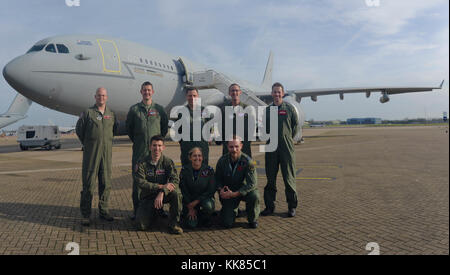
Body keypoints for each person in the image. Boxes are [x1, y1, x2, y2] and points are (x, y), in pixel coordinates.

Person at [126, 81, 169, 219]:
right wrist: (140, 141)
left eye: (149, 90)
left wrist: (157, 144)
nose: (147, 92)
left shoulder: (159, 109)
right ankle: (137, 211)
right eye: (144, 90)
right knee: (138, 183)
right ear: (141, 92)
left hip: (156, 153)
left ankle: (159, 209)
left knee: (158, 180)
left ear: (153, 92)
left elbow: (163, 128)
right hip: (139, 152)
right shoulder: (134, 110)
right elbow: (129, 129)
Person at [76, 87, 117, 226]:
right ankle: (86, 214)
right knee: (88, 184)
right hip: (91, 154)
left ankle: (104, 211)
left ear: (107, 97)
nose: (101, 98)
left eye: (104, 95)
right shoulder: (88, 113)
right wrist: (89, 144)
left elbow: (114, 130)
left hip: (106, 154)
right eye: (99, 95)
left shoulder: (111, 114)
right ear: (95, 97)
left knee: (105, 183)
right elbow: (79, 130)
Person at [261, 82, 299, 217]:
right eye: (274, 92)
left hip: (286, 148)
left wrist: (286, 138)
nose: (277, 94)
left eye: (279, 92)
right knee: (270, 178)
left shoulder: (289, 109)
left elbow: (295, 127)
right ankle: (269, 206)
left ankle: (292, 206)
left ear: (283, 93)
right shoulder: (267, 111)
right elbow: (265, 128)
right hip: (271, 148)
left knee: (289, 178)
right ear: (271, 94)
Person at [133, 135, 183, 234]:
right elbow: (141, 182)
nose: (157, 148)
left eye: (159, 145)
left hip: (164, 194)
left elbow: (175, 180)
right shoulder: (142, 162)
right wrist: (160, 186)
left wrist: (163, 191)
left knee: (176, 194)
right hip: (149, 196)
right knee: (141, 225)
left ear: (163, 147)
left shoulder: (168, 162)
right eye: (154, 145)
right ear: (150, 147)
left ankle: (174, 224)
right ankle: (155, 212)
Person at [215, 136, 259, 229]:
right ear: (227, 147)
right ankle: (233, 211)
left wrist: (235, 194)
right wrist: (220, 189)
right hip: (229, 192)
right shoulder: (222, 161)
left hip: (243, 191)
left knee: (254, 195)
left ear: (241, 146)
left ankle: (252, 219)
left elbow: (252, 183)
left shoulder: (248, 161)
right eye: (231, 147)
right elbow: (217, 179)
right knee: (227, 223)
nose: (234, 149)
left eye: (236, 146)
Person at [179, 147, 216, 229]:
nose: (197, 158)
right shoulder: (184, 170)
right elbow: (183, 190)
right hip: (189, 201)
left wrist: (196, 202)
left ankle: (206, 218)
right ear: (190, 158)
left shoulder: (209, 170)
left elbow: (211, 190)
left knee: (209, 206)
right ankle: (193, 213)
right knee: (192, 225)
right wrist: (190, 206)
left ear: (202, 158)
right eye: (194, 156)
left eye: (199, 156)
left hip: (203, 200)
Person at [176, 87, 210, 167]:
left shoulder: (204, 110)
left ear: (198, 96)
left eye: (194, 95)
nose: (192, 98)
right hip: (187, 149)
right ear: (186, 97)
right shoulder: (181, 112)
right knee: (187, 173)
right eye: (190, 96)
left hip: (202, 148)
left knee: (203, 173)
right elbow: (179, 130)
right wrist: (184, 143)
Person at [217, 83, 252, 157]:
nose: (234, 92)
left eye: (236, 90)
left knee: (246, 166)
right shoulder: (224, 110)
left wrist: (246, 142)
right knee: (228, 166)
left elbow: (251, 128)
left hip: (244, 146)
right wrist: (225, 142)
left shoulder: (247, 109)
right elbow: (220, 127)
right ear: (229, 93)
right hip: (229, 147)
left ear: (240, 92)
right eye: (232, 91)